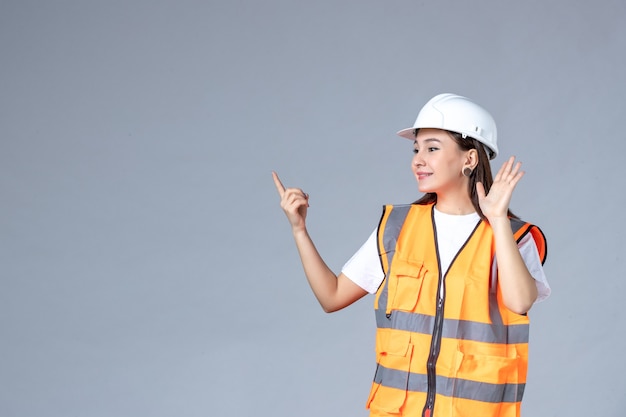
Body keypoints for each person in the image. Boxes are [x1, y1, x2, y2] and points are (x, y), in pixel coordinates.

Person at [272, 93, 550, 417]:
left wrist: (498, 219)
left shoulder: (513, 236)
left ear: (470, 159)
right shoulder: (396, 229)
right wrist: (299, 230)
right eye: (416, 149)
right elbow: (331, 296)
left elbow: (520, 302)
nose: (418, 159)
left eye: (432, 148)